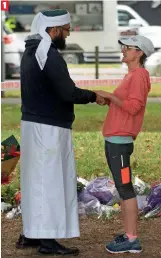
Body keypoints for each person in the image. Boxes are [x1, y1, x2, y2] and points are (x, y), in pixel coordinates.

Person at [16, 9, 105, 256]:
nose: (68, 33)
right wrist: (93, 96)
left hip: (33, 125)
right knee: (51, 183)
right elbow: (68, 92)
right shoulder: (47, 53)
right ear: (53, 30)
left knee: (36, 182)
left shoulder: (31, 49)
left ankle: (32, 233)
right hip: (49, 128)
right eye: (66, 30)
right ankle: (48, 242)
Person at [95, 35, 154, 254]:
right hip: (115, 140)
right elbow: (125, 104)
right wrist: (109, 99)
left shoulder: (139, 75)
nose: (124, 51)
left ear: (139, 53)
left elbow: (133, 107)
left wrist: (110, 96)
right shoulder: (132, 75)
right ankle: (129, 235)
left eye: (128, 48)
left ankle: (132, 240)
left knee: (125, 188)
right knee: (123, 187)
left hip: (120, 143)